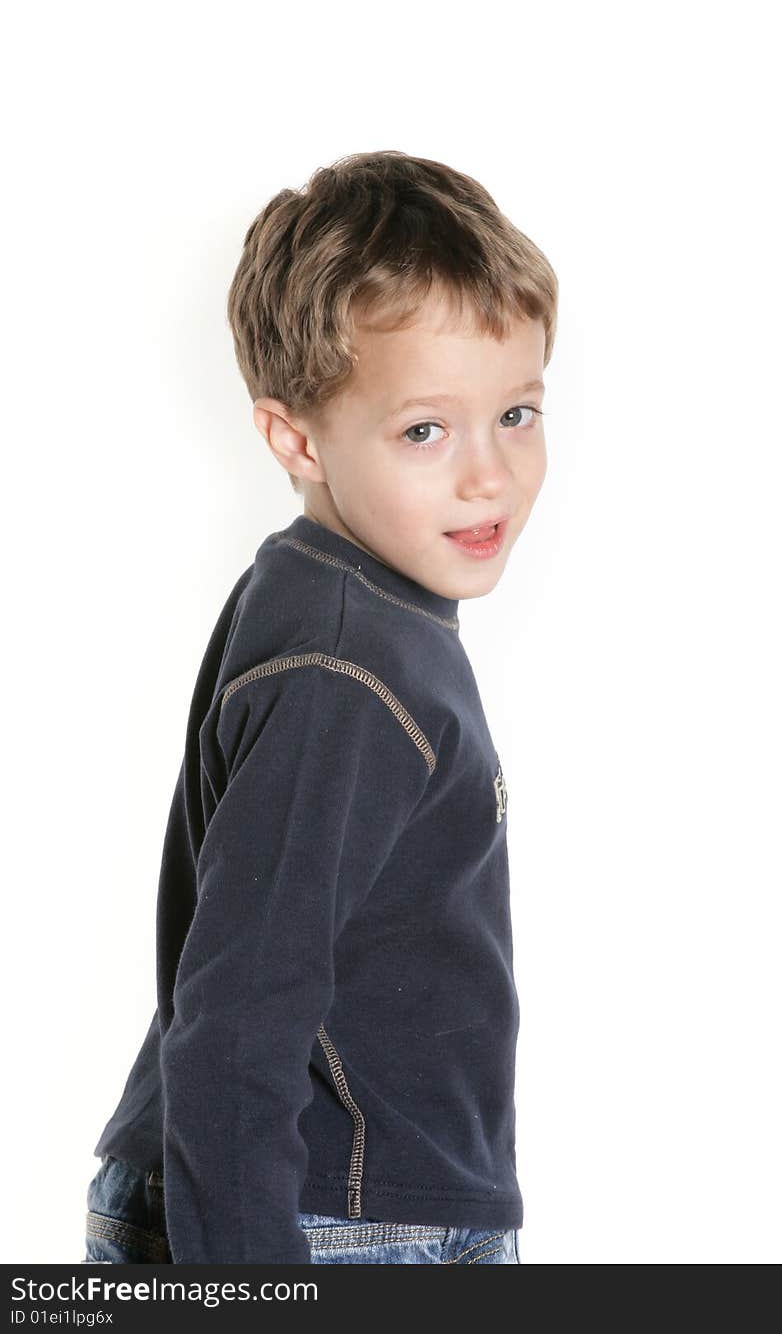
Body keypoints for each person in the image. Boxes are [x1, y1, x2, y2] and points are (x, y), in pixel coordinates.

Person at [83, 150, 558, 1265]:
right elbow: (239, 1016)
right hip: (325, 1220)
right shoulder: (343, 669)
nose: (488, 476)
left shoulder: (353, 605)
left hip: (356, 1203)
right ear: (297, 439)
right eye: (425, 432)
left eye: (519, 412)